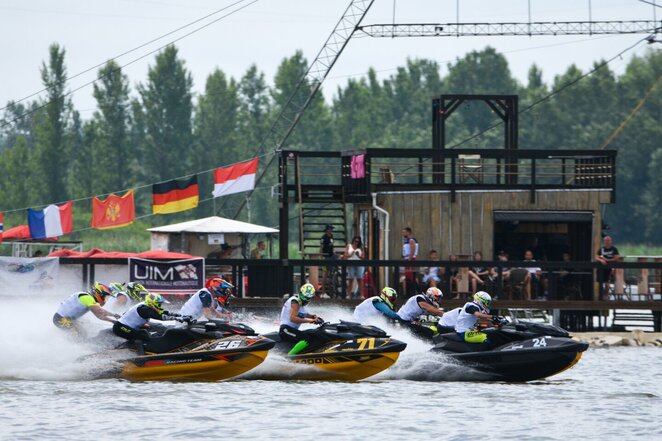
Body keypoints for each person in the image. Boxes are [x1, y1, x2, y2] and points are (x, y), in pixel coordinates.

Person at [113, 293, 188, 342]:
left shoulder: (148, 306)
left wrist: (180, 315)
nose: (160, 306)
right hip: (120, 327)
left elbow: (163, 312)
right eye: (159, 304)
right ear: (152, 303)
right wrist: (178, 319)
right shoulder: (144, 309)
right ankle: (141, 355)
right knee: (143, 337)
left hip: (127, 326)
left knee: (156, 328)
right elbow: (160, 317)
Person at [52, 282, 119, 335]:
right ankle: (76, 348)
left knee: (85, 329)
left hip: (64, 319)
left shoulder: (88, 299)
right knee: (80, 333)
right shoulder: (88, 298)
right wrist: (114, 315)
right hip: (61, 319)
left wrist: (113, 321)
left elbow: (99, 316)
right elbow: (100, 311)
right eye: (104, 296)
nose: (104, 299)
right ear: (99, 293)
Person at [279, 283, 324, 355]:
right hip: (285, 330)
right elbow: (293, 318)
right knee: (306, 339)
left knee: (312, 335)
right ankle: (288, 357)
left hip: (290, 330)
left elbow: (303, 314)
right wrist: (310, 321)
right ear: (300, 293)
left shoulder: (300, 306)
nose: (304, 299)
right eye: (304, 296)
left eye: (307, 298)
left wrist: (314, 317)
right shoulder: (295, 301)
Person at [596, 235, 620, 300]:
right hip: (601, 268)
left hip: (610, 268)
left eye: (608, 240)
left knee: (607, 283)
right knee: (599, 282)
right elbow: (596, 257)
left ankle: (606, 296)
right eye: (606, 240)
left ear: (611, 241)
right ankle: (600, 296)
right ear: (604, 241)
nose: (607, 242)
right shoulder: (601, 249)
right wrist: (601, 260)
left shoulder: (614, 249)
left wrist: (606, 260)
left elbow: (617, 258)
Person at [399, 227, 419, 295]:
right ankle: (409, 292)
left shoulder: (411, 240)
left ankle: (416, 291)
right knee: (408, 276)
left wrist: (410, 259)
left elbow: (412, 249)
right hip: (406, 258)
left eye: (404, 232)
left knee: (411, 275)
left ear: (408, 232)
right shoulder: (406, 241)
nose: (403, 234)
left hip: (410, 259)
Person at [319, 225, 335, 294]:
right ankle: (323, 292)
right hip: (326, 256)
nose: (331, 230)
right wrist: (321, 256)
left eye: (331, 229)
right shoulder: (323, 237)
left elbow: (332, 246)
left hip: (331, 256)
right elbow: (321, 247)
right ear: (327, 230)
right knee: (325, 274)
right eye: (330, 229)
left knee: (331, 273)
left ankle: (331, 290)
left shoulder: (331, 236)